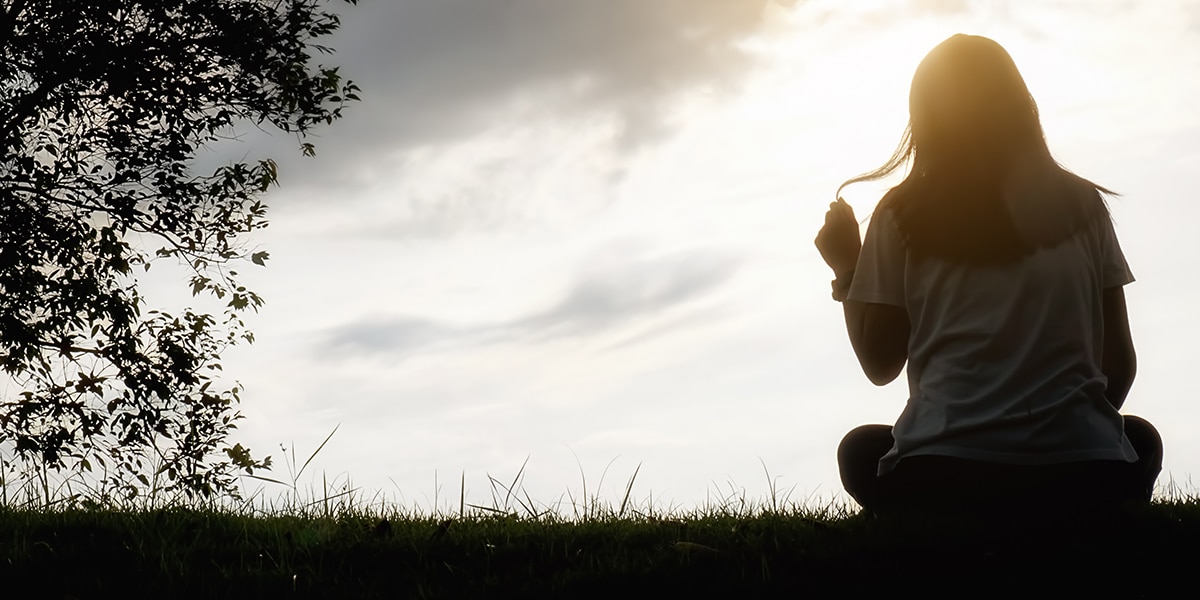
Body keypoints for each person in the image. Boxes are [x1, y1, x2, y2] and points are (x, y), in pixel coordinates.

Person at [814, 34, 1163, 518]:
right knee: (1140, 436)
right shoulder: (1083, 206)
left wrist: (847, 267)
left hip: (946, 477)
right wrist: (1066, 427)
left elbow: (880, 364)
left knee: (859, 450)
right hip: (1084, 473)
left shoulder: (903, 214)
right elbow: (1119, 366)